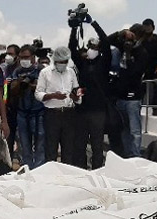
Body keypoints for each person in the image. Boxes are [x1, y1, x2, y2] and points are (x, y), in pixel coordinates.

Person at [70, 14, 112, 169]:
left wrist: (93, 23)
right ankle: (81, 170)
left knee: (97, 145)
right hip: (82, 110)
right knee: (79, 143)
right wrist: (74, 27)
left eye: (94, 47)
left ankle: (98, 171)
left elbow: (106, 42)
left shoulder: (104, 63)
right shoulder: (82, 64)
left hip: (98, 111)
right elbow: (72, 48)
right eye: (89, 47)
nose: (91, 50)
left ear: (99, 50)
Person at [35, 46, 82, 164]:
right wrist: (52, 96)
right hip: (52, 114)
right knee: (51, 148)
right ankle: (52, 178)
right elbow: (38, 93)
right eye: (60, 62)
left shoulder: (71, 72)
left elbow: (77, 91)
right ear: (55, 60)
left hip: (69, 113)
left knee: (69, 148)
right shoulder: (45, 73)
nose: (62, 64)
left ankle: (66, 178)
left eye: (65, 62)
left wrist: (76, 97)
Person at [108, 25, 148, 158]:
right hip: (120, 97)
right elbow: (105, 41)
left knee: (134, 131)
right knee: (123, 129)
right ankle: (125, 155)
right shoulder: (121, 47)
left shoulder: (142, 53)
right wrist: (121, 33)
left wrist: (129, 54)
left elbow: (135, 73)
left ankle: (135, 156)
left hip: (133, 98)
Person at [9, 45, 45, 169]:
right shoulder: (17, 71)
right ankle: (27, 167)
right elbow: (12, 90)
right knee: (24, 143)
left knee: (40, 142)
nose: (24, 59)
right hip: (22, 112)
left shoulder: (41, 70)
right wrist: (20, 82)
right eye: (22, 57)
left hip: (39, 112)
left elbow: (43, 89)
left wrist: (32, 84)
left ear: (33, 57)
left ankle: (39, 168)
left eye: (27, 57)